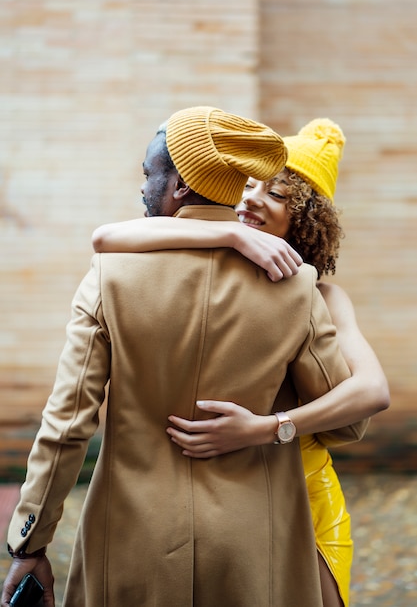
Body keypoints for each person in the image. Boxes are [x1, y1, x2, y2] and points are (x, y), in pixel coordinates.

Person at [3, 106, 358, 607]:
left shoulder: (110, 276)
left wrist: (29, 544)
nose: (143, 187)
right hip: (253, 548)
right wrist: (274, 413)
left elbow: (65, 426)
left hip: (129, 541)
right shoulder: (296, 288)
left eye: (149, 174)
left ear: (181, 186)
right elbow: (346, 426)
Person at [91, 118, 390, 607]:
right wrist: (226, 238)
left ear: (305, 219)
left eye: (274, 195)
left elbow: (373, 392)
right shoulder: (212, 253)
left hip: (307, 491)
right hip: (245, 496)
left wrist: (268, 428)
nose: (251, 199)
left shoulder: (323, 294)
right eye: (248, 186)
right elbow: (104, 239)